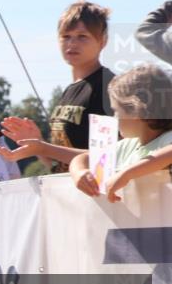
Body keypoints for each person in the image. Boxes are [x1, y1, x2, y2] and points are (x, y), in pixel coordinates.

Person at [0, 0, 115, 172]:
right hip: (68, 192)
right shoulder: (69, 91)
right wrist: (38, 145)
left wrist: (43, 148)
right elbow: (57, 166)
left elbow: (108, 157)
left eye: (82, 36)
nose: (72, 43)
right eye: (66, 36)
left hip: (98, 195)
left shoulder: (108, 87)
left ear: (103, 41)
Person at [70, 64, 172, 201]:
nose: (114, 118)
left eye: (116, 111)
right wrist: (79, 172)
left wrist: (127, 173)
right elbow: (83, 158)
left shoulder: (167, 140)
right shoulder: (127, 146)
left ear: (136, 111)